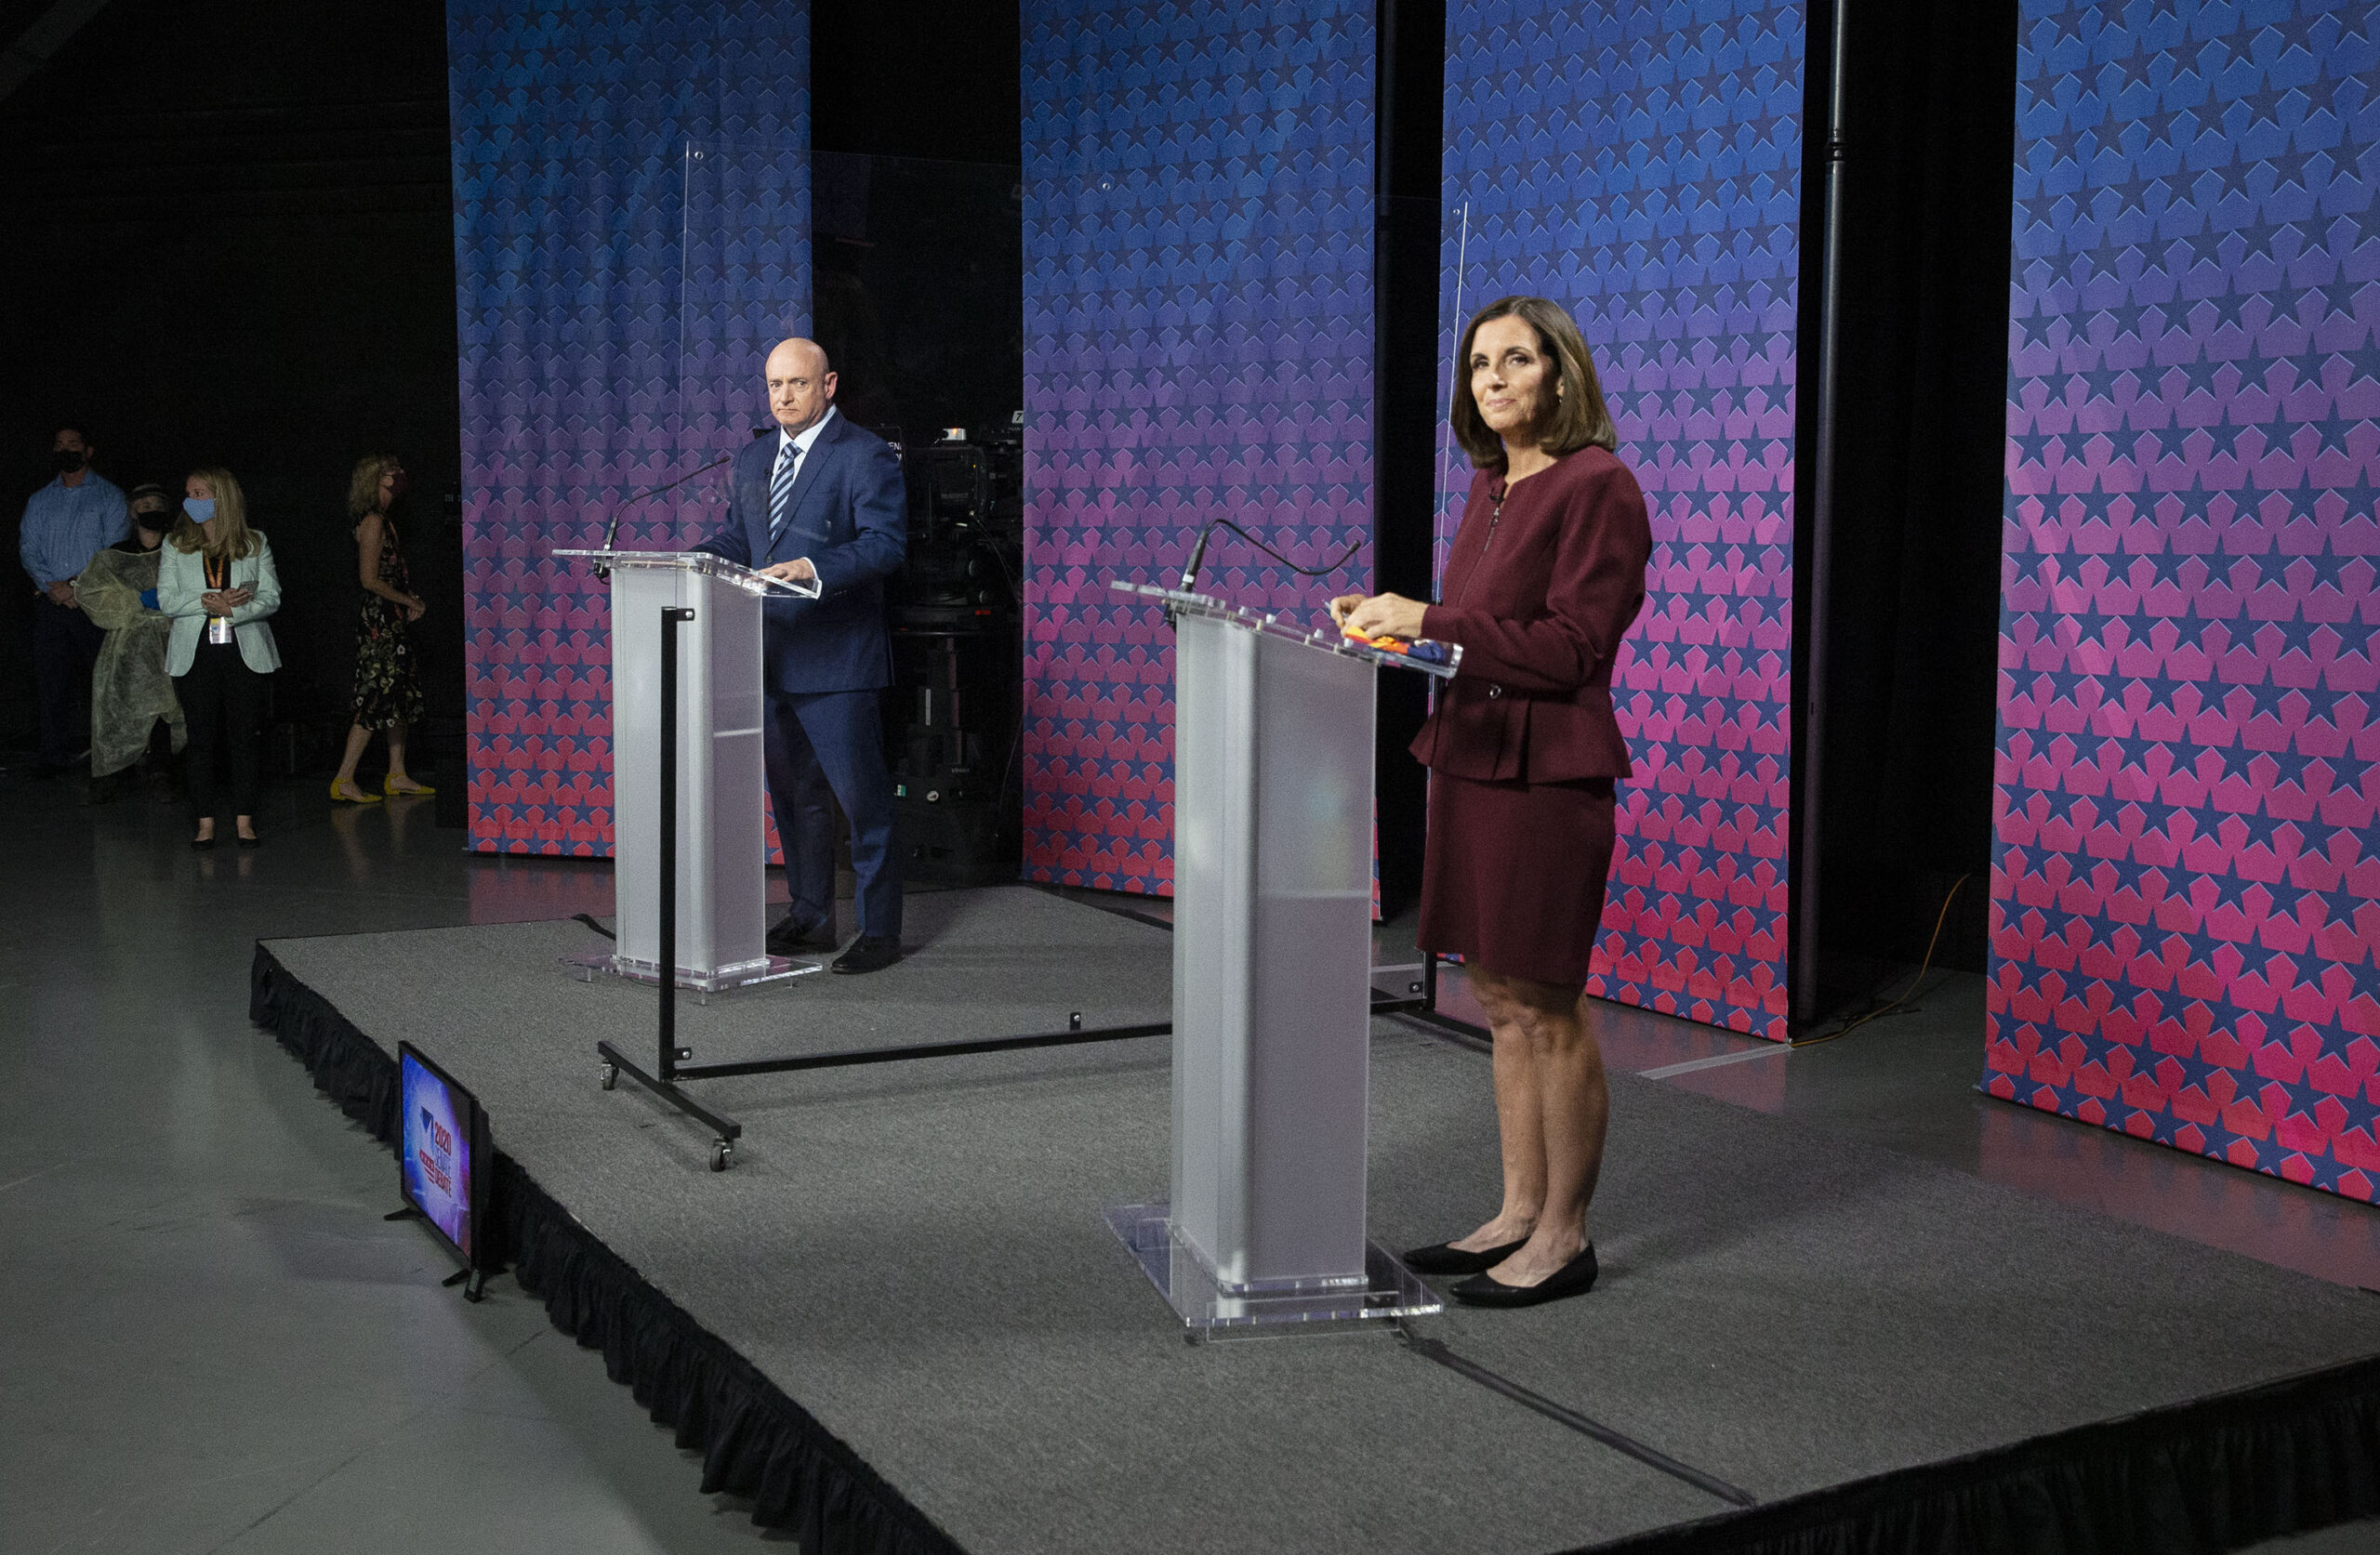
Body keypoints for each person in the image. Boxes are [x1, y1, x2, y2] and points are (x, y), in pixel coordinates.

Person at [1332, 296, 1651, 1309]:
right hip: (1470, 757)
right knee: (1500, 1002)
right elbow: (1474, 633)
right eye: (1478, 365)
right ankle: (1516, 1209)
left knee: (1547, 1005)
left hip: (1546, 774)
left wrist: (1428, 615)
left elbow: (1572, 649)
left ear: (1561, 374)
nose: (1495, 378)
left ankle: (1564, 1234)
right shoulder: (1490, 483)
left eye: (1517, 360)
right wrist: (1401, 634)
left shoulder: (1599, 485)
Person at [693, 336, 907, 974]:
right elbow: (741, 537)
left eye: (797, 384)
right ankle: (812, 915)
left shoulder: (864, 456)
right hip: (770, 656)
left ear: (829, 385)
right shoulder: (755, 457)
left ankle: (880, 930)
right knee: (795, 800)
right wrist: (696, 561)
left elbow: (886, 545)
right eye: (774, 386)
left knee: (862, 801)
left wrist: (814, 567)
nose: (783, 396)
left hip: (839, 660)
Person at [158, 468, 281, 849]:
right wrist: (206, 601)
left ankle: (245, 821)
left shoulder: (254, 542)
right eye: (188, 493)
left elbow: (271, 597)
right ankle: (205, 823)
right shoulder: (176, 543)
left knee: (244, 738)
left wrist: (232, 611)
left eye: (200, 492)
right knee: (201, 739)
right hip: (196, 652)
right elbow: (166, 600)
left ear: (221, 497)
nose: (191, 499)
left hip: (243, 650)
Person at [19, 423, 128, 776]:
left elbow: (113, 551)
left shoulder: (110, 496)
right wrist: (54, 588)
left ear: (88, 450)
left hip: (94, 604)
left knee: (105, 682)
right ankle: (53, 755)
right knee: (52, 682)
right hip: (50, 604)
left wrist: (76, 587)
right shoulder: (39, 499)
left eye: (73, 443)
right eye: (59, 443)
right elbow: (28, 549)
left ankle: (112, 759)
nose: (66, 449)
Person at [327, 453, 432, 804]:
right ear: (375, 478)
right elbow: (369, 579)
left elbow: (391, 574)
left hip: (392, 617)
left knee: (398, 694)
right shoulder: (372, 521)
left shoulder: (386, 521)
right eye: (391, 471)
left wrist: (407, 598)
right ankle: (344, 778)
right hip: (379, 622)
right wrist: (408, 601)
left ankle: (397, 773)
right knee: (374, 696)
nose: (399, 475)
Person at [73, 484, 185, 802]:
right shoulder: (114, 556)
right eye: (144, 504)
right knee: (120, 707)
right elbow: (92, 595)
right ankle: (113, 771)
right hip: (128, 645)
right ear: (132, 512)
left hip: (173, 637)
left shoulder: (182, 551)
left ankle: (161, 770)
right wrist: (136, 600)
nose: (151, 509)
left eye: (157, 504)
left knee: (168, 706)